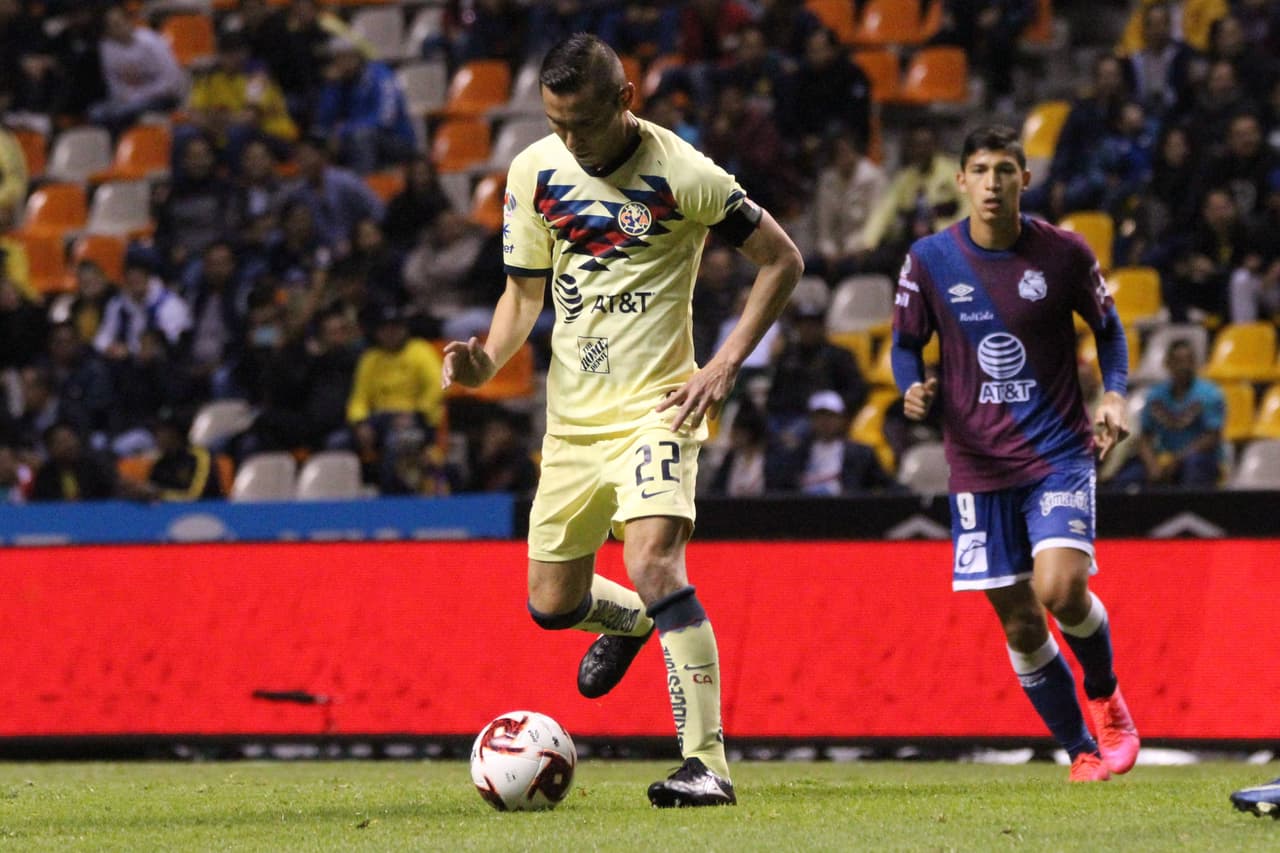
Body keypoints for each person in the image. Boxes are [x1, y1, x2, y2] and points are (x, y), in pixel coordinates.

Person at [442, 33, 803, 807]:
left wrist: (723, 363)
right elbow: (523, 295)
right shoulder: (534, 171)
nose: (570, 141)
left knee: (654, 560)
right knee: (552, 603)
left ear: (625, 99)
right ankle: (637, 622)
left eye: (583, 123)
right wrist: (487, 361)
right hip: (573, 423)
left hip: (657, 408)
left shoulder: (684, 173)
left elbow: (783, 259)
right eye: (556, 123)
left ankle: (706, 763)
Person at [891, 125, 1140, 783]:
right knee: (1023, 624)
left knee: (1059, 588)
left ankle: (1107, 695)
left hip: (1058, 450)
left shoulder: (1063, 253)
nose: (993, 183)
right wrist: (910, 387)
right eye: (981, 170)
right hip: (978, 465)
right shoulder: (929, 259)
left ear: (1024, 180)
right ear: (961, 181)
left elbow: (1110, 332)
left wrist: (1114, 396)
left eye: (1005, 170)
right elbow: (904, 344)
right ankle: (1081, 750)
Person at [1112, 339, 1224, 489]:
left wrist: (1178, 460)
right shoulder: (1155, 396)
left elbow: (1212, 437)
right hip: (1164, 458)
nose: (1184, 366)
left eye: (1188, 361)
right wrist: (1152, 464)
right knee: (1127, 478)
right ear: (1167, 364)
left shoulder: (1210, 394)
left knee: (1194, 466)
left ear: (1195, 363)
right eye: (1178, 361)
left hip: (1199, 458)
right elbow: (1144, 437)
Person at [765, 390, 897, 495]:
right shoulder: (796, 454)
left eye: (831, 416)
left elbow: (887, 485)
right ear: (811, 419)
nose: (825, 422)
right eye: (819, 416)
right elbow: (780, 486)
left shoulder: (861, 454)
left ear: (842, 419)